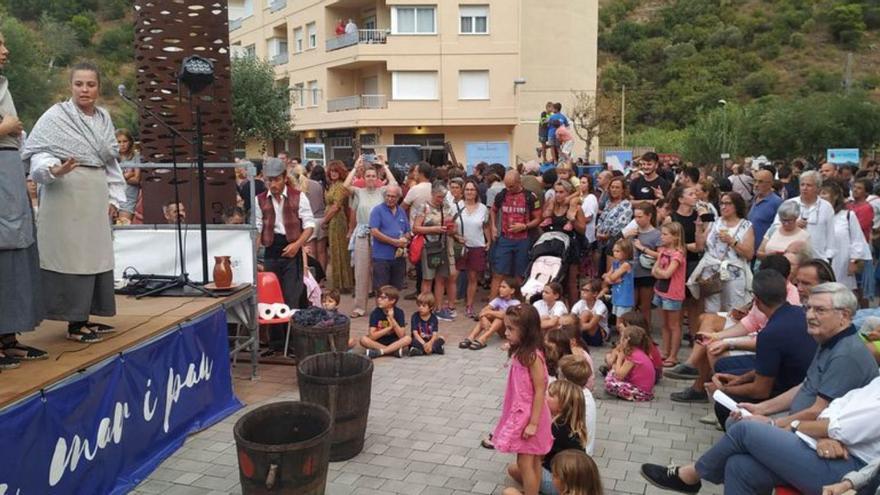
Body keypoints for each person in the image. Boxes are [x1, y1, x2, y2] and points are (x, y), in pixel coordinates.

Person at [641, 374, 880, 495]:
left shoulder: (847, 352)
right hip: (823, 445)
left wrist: (792, 425)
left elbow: (841, 426)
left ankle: (690, 475)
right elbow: (837, 405)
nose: (810, 313)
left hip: (852, 470)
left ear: (843, 316)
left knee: (746, 430)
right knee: (739, 465)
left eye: (819, 309)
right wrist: (826, 431)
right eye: (810, 307)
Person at [25, 61, 126, 343]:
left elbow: (110, 161)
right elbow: (39, 155)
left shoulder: (103, 118)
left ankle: (87, 313)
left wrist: (116, 197)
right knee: (71, 256)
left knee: (95, 255)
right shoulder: (55, 117)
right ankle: (74, 322)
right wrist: (53, 170)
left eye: (90, 84)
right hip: (65, 192)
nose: (84, 89)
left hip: (94, 195)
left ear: (98, 88)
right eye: (79, 84)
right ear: (70, 87)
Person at [708, 270, 817, 426]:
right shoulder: (799, 313)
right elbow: (774, 364)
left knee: (724, 403)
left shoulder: (770, 333)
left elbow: (761, 390)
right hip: (800, 380)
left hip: (791, 391)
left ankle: (741, 437)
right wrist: (742, 379)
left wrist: (722, 391)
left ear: (756, 301)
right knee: (730, 374)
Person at [0, 30, 46, 366]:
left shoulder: (3, 84)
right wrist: (5, 128)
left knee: (17, 249)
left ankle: (8, 334)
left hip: (9, 170)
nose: (5, 50)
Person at [494, 304, 553, 495]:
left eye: (511, 329)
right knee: (531, 460)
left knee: (526, 462)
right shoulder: (523, 351)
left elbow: (540, 389)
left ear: (526, 331)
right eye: (506, 327)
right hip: (524, 413)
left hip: (530, 415)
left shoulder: (533, 357)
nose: (506, 332)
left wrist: (533, 423)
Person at [506, 379, 588, 495]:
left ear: (562, 406)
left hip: (560, 485)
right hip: (575, 483)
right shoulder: (572, 426)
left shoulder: (555, 428)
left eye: (551, 395)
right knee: (516, 469)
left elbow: (535, 458)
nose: (545, 395)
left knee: (513, 480)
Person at [254, 158, 316, 309]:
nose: (273, 184)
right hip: (271, 251)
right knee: (272, 300)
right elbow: (257, 229)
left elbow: (309, 226)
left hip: (292, 251)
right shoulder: (259, 200)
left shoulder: (298, 196)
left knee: (291, 298)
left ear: (284, 178)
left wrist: (297, 245)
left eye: (276, 180)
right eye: (269, 180)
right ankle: (278, 333)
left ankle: (292, 331)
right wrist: (254, 258)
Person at [344, 156, 398, 317]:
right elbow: (345, 185)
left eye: (373, 176)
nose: (371, 178)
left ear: (377, 178)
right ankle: (359, 307)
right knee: (361, 272)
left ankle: (382, 306)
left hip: (380, 235)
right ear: (363, 177)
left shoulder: (382, 192)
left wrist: (384, 166)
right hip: (362, 234)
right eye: (368, 176)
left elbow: (394, 185)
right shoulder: (359, 192)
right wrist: (355, 167)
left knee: (380, 272)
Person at [697, 192, 754, 313]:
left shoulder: (746, 225)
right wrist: (698, 229)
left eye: (728, 203)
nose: (723, 207)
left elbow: (749, 254)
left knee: (733, 309)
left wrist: (732, 241)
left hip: (734, 273)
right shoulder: (714, 222)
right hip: (711, 273)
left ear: (736, 206)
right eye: (721, 203)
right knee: (710, 310)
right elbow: (700, 247)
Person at [490, 170, 542, 298]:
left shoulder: (530, 197)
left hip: (523, 240)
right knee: (498, 273)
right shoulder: (502, 195)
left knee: (520, 274)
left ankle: (520, 304)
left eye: (511, 186)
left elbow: (538, 218)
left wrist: (524, 226)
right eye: (506, 186)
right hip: (505, 238)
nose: (509, 189)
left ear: (519, 182)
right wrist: (493, 227)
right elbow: (493, 210)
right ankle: (492, 303)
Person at [644, 222, 687, 367]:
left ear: (675, 237)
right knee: (665, 324)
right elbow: (654, 271)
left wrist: (659, 273)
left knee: (674, 325)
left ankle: (673, 355)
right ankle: (665, 350)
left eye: (665, 234)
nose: (661, 236)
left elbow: (667, 273)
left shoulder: (678, 254)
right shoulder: (662, 251)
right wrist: (659, 273)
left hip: (673, 292)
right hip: (661, 290)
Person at [773, 171, 836, 262]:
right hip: (792, 258)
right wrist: (792, 226)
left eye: (809, 185)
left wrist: (828, 257)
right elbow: (775, 228)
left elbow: (830, 235)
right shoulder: (789, 204)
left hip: (817, 258)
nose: (804, 188)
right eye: (802, 185)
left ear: (818, 188)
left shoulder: (826, 207)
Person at [820, 182, 872, 291]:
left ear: (835, 196)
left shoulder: (847, 216)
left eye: (824, 193)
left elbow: (857, 240)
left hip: (841, 264)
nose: (821, 196)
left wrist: (854, 261)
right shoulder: (814, 215)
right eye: (819, 193)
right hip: (819, 263)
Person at [456, 178, 491, 319]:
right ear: (463, 192)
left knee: (472, 277)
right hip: (459, 246)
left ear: (476, 192)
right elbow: (450, 225)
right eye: (467, 189)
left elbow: (486, 226)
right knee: (452, 276)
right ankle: (451, 304)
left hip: (477, 245)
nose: (469, 192)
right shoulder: (457, 206)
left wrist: (489, 241)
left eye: (472, 189)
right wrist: (456, 237)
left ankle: (469, 305)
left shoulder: (483, 208)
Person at [461, 276, 521, 350]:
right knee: (487, 316)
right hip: (500, 329)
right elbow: (483, 311)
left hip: (509, 331)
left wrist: (488, 312)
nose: (500, 289)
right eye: (500, 287)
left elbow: (505, 315)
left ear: (512, 291)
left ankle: (483, 339)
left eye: (504, 287)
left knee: (499, 318)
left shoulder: (516, 303)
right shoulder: (498, 299)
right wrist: (484, 319)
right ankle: (471, 337)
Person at [369, 184, 410, 291]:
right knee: (382, 290)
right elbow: (374, 231)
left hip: (398, 257)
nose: (390, 199)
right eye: (388, 196)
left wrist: (406, 238)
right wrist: (394, 242)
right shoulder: (377, 210)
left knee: (395, 290)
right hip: (382, 257)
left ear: (398, 198)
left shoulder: (401, 211)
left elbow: (407, 231)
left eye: (393, 196)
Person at [628, 203, 661, 325]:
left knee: (645, 306)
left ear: (649, 216)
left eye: (640, 216)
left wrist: (642, 248)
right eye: (635, 216)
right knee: (631, 304)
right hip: (631, 271)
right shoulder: (633, 232)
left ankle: (645, 332)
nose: (637, 219)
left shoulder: (656, 234)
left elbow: (661, 255)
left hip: (646, 273)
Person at [603, 325, 656, 401]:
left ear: (627, 340)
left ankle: (627, 394)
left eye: (621, 337)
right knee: (613, 371)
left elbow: (619, 376)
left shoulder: (633, 355)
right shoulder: (638, 351)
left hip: (641, 393)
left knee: (609, 382)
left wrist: (620, 358)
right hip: (646, 390)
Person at [323, 160, 354, 293]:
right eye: (331, 171)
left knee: (340, 251)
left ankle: (344, 283)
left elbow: (336, 206)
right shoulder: (332, 185)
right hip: (332, 220)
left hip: (337, 220)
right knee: (335, 251)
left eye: (336, 171)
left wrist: (324, 220)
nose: (333, 173)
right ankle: (338, 282)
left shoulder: (340, 186)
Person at [558, 354, 597, 455]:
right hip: (583, 452)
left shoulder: (573, 400)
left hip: (573, 457)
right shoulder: (585, 393)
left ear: (565, 380)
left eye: (559, 375)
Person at [361, 285, 411, 359]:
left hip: (395, 341)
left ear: (392, 301)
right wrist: (389, 328)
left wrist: (392, 319)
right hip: (379, 341)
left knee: (408, 339)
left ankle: (380, 352)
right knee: (363, 339)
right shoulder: (375, 313)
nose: (379, 300)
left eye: (383, 298)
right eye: (378, 297)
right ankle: (393, 351)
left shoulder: (399, 312)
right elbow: (372, 336)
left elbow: (401, 335)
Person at [596, 177, 632, 273]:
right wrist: (599, 231)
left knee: (611, 272)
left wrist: (607, 235)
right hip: (601, 242)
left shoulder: (626, 204)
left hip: (615, 243)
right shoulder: (608, 203)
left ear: (623, 190)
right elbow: (601, 219)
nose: (614, 190)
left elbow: (621, 224)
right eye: (612, 187)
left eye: (617, 187)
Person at [748, 169, 783, 252]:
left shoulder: (777, 202)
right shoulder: (755, 198)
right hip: (750, 250)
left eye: (760, 182)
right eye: (755, 181)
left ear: (771, 183)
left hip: (764, 252)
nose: (756, 185)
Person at [603, 238, 635, 318]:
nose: (614, 253)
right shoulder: (615, 263)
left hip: (625, 298)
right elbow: (607, 278)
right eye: (614, 251)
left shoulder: (626, 265)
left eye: (618, 251)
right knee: (617, 321)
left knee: (622, 321)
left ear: (626, 252)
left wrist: (609, 278)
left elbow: (611, 277)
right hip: (617, 296)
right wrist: (611, 279)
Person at [571, 280, 608, 347]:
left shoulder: (601, 306)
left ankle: (572, 338)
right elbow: (571, 317)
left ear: (595, 294)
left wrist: (573, 329)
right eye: (582, 290)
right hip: (583, 332)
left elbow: (591, 325)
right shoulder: (580, 303)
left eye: (586, 290)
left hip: (597, 337)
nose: (582, 292)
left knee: (586, 313)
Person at [116, 129, 140, 224]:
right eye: (119, 142)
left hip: (128, 199)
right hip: (112, 197)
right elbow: (108, 178)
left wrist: (118, 177)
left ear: (130, 142)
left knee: (123, 227)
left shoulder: (136, 156)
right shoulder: (112, 158)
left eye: (125, 141)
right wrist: (128, 175)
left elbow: (136, 180)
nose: (122, 144)